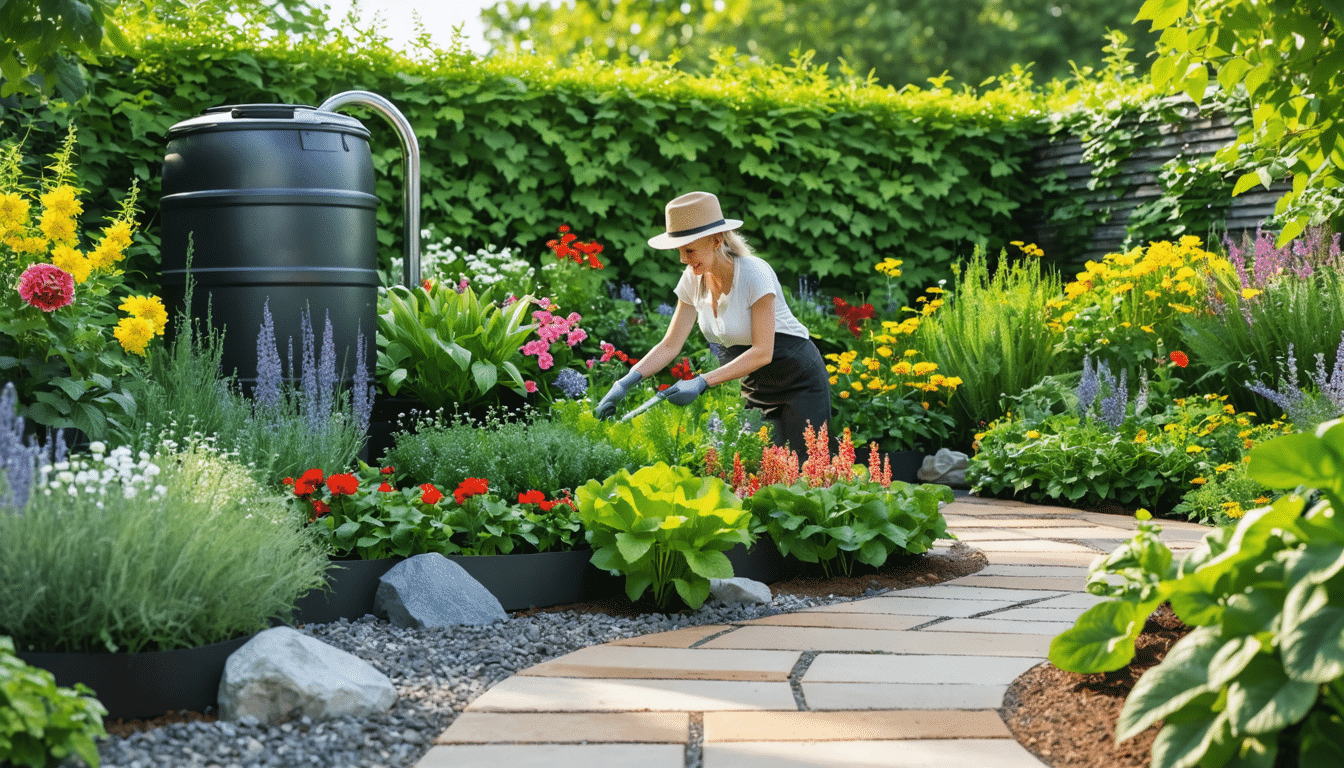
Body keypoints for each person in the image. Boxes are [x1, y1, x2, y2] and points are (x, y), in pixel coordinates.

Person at [595, 191, 832, 458]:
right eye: (680, 251)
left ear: (717, 240)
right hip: (756, 385)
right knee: (758, 466)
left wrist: (701, 382)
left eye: (689, 250)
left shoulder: (755, 273)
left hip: (798, 378)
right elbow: (670, 344)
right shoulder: (693, 278)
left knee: (807, 467)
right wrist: (625, 383)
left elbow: (763, 351)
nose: (683, 259)